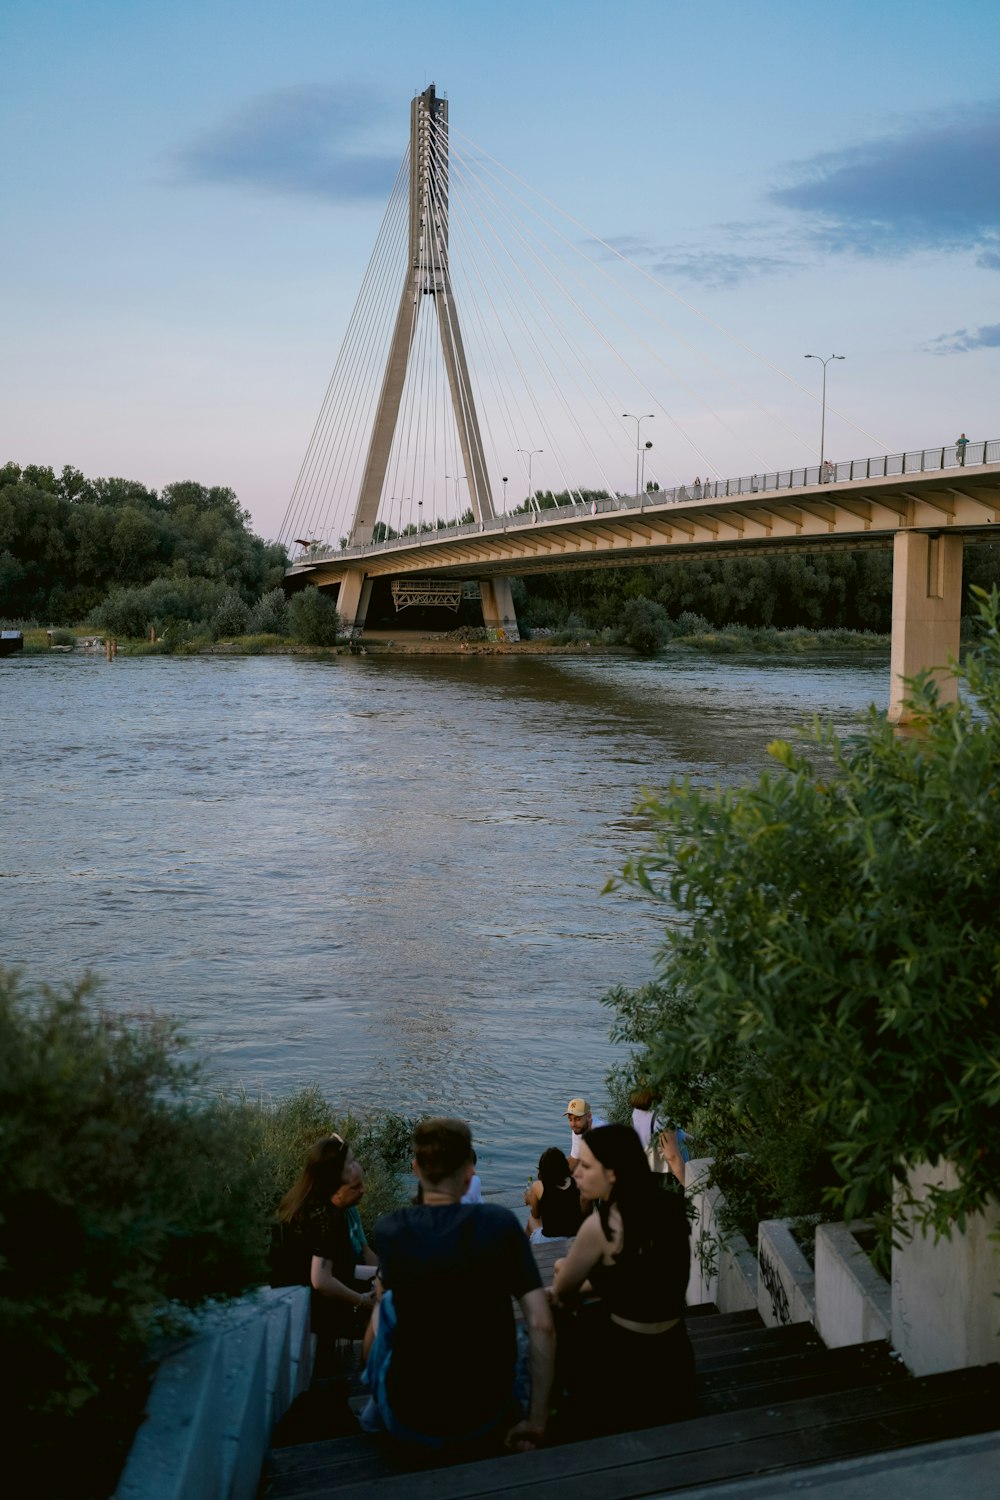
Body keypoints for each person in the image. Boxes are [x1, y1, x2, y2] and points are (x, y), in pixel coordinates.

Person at [361, 1118, 555, 1454]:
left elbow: (377, 1337)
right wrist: (537, 1422)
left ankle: (371, 1416)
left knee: (387, 1308)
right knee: (525, 1337)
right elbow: (542, 1324)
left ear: (415, 1168)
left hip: (407, 1420)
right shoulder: (500, 1225)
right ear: (469, 1173)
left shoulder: (391, 1231)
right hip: (486, 1418)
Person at [551, 1125, 694, 1436]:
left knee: (555, 1300)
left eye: (586, 1167)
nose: (577, 1174)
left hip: (626, 1365)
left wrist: (563, 1267)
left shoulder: (601, 1227)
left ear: (612, 1173)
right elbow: (639, 1280)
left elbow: (563, 1293)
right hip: (675, 1361)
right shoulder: (671, 1208)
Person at [270, 1134, 379, 1339]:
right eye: (351, 1163)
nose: (357, 1167)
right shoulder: (324, 1216)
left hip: (291, 1294)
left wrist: (378, 1273)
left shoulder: (302, 1200)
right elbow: (321, 1280)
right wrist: (363, 1300)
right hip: (310, 1308)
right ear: (335, 1176)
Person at [630, 1086, 688, 1185]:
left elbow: (647, 1134)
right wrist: (689, 1186)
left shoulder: (637, 1112)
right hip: (667, 1178)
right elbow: (672, 1157)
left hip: (645, 1173)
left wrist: (690, 1138)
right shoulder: (662, 1117)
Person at [526, 1147, 584, 1241]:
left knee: (531, 1220)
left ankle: (525, 1251)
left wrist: (530, 1201)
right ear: (564, 1166)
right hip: (575, 1237)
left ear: (543, 1168)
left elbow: (535, 1215)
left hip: (550, 1239)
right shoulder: (577, 1183)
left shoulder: (538, 1186)